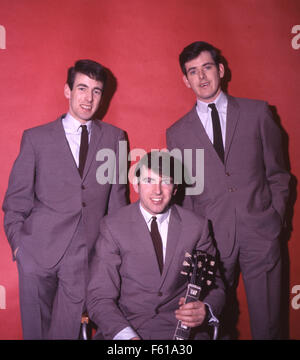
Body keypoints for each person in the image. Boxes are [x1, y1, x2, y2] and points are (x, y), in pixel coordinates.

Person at [166, 41, 290, 339]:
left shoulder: (257, 112)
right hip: (212, 243)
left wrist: (275, 220)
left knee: (270, 326)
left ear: (220, 69)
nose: (202, 77)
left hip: (261, 234)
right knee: (211, 325)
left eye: (207, 67)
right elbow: (185, 196)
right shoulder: (177, 133)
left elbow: (279, 174)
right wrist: (195, 245)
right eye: (193, 72)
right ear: (186, 79)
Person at [2, 59, 128, 339]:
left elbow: (117, 203)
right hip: (37, 255)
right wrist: (22, 250)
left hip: (86, 259)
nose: (89, 98)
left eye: (96, 91)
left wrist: (111, 256)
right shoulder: (36, 139)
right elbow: (15, 202)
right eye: (82, 88)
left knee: (67, 334)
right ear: (67, 91)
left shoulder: (114, 139)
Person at [87, 151, 225, 340]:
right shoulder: (113, 226)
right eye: (149, 181)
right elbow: (99, 297)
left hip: (182, 331)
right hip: (128, 327)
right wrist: (128, 337)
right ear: (136, 185)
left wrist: (206, 310)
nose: (157, 191)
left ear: (175, 188)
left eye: (166, 181)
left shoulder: (197, 226)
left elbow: (216, 286)